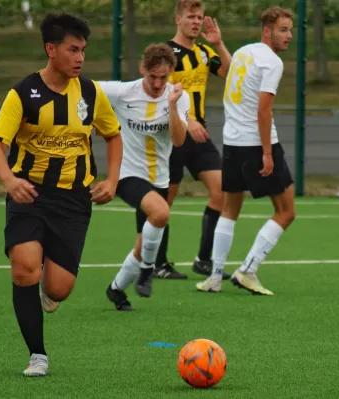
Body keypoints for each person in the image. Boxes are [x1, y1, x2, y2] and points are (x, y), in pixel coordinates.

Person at [0, 13, 122, 376]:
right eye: (72, 49)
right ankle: (37, 355)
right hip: (28, 193)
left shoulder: (91, 93)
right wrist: (9, 181)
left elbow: (113, 135)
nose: (79, 57)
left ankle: (49, 292)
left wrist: (112, 180)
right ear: (51, 49)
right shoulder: (23, 93)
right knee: (24, 270)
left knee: (59, 289)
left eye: (83, 51)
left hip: (74, 200)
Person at [196, 7, 296, 295]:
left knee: (230, 209)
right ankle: (248, 270)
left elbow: (232, 77)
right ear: (267, 31)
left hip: (232, 143)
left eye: (290, 30)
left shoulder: (243, 52)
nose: (289, 35)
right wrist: (267, 153)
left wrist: (218, 45)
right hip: (256, 144)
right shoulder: (272, 63)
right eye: (283, 30)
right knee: (286, 212)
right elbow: (264, 111)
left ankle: (214, 277)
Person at [98, 43, 189, 310]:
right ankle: (148, 270)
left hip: (159, 178)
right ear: (142, 69)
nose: (158, 83)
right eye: (153, 76)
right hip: (127, 174)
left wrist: (171, 106)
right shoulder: (123, 92)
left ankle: (116, 289)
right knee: (160, 213)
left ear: (171, 72)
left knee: (142, 244)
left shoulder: (179, 96)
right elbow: (82, 87)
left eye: (164, 77)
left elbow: (178, 139)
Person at [152, 0, 233, 280]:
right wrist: (188, 120)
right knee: (164, 203)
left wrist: (219, 44)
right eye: (191, 17)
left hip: (199, 135)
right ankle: (157, 263)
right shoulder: (165, 53)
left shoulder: (203, 52)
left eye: (199, 17)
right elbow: (159, 89)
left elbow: (231, 73)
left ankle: (204, 259)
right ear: (178, 19)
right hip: (172, 135)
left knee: (222, 191)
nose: (196, 22)